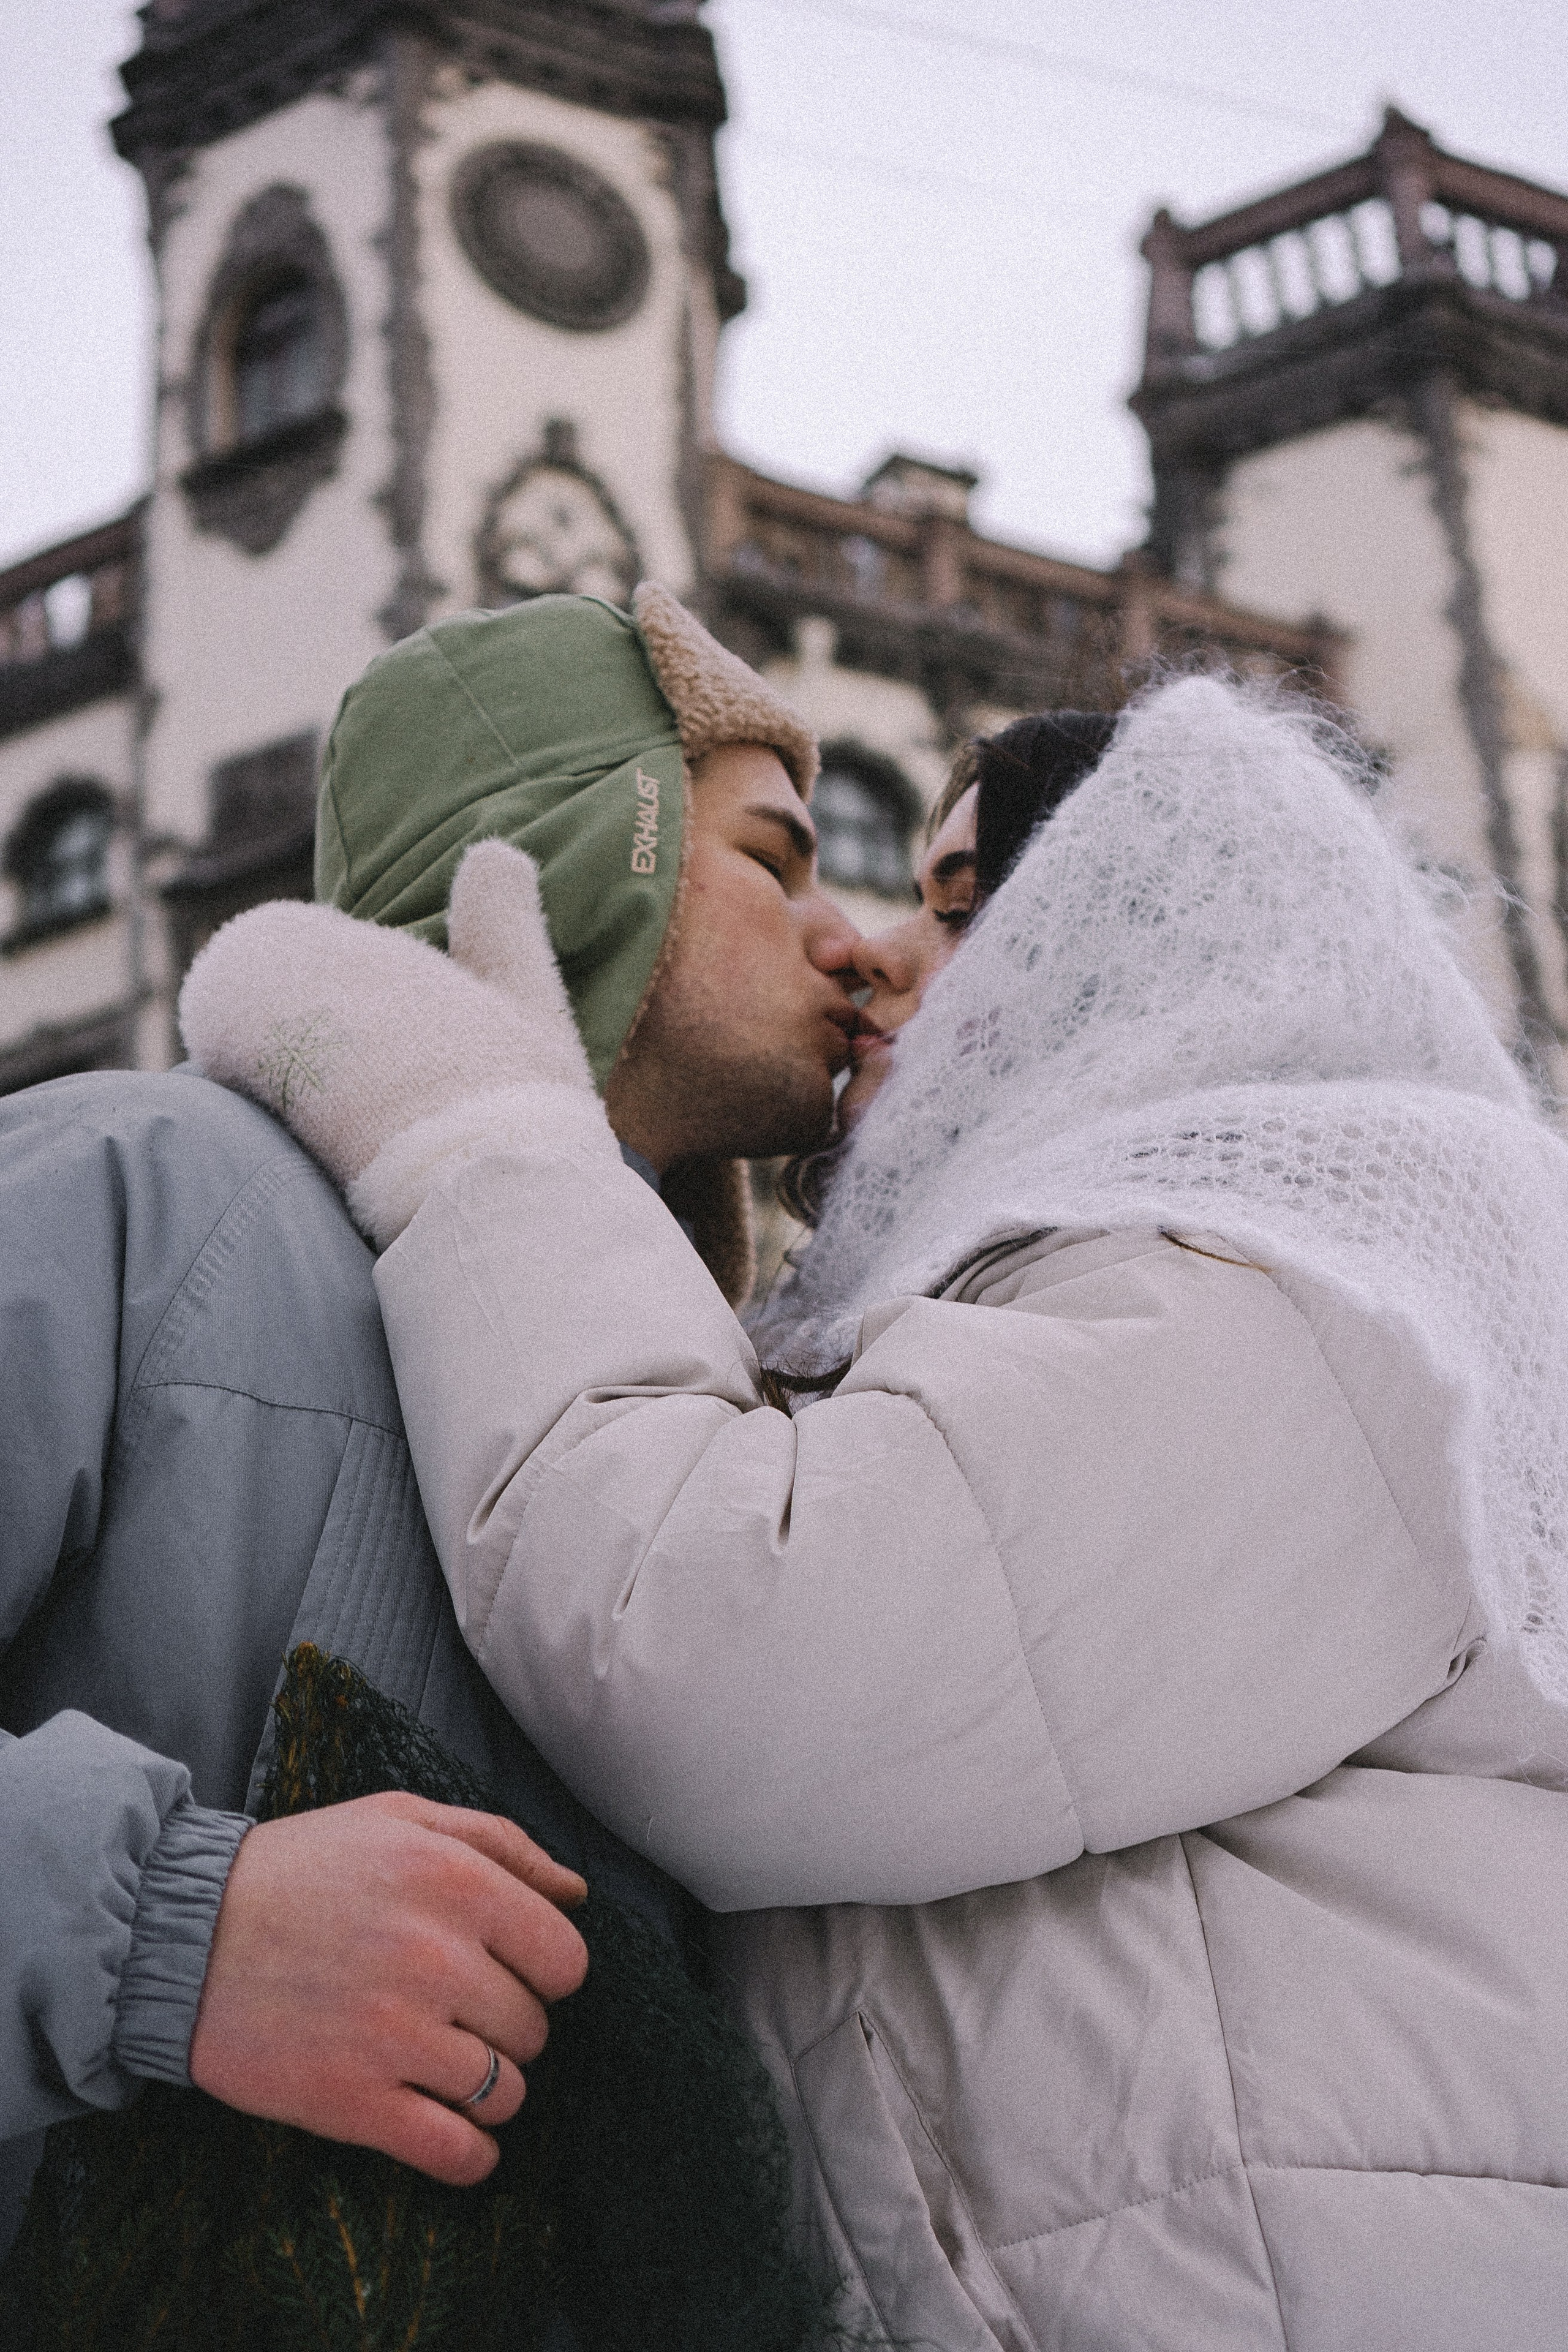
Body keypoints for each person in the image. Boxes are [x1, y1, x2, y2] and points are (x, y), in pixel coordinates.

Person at [188, 668, 1568, 2348]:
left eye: (970, 911)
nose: (873, 958)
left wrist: (483, 1138)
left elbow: (729, 1648)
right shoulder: (1102, 1290)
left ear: (1163, 937)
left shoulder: (1326, 1276)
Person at [0, 583, 861, 2253]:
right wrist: (174, 1929)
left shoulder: (707, 1424)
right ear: (573, 853)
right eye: (776, 857)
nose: (850, 939)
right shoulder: (148, 1193)